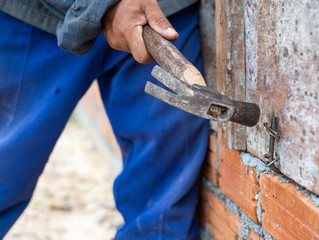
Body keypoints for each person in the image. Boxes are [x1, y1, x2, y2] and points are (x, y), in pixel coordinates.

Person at [0, 0, 209, 239]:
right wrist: (102, 5)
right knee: (6, 167)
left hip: (162, 15)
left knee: (159, 213)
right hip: (37, 16)